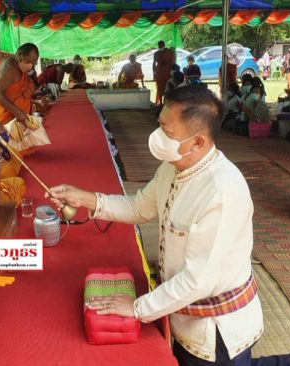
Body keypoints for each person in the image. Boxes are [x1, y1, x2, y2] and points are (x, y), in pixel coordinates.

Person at [47, 85, 263, 366]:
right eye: (159, 125)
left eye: (167, 132)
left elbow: (198, 281)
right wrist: (84, 197)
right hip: (183, 312)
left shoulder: (221, 192)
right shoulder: (175, 165)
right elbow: (139, 207)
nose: (158, 137)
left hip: (215, 330)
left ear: (197, 142)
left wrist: (137, 308)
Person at [0, 43, 39, 124]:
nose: (30, 66)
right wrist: (17, 112)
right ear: (20, 54)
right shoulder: (9, 67)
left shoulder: (19, 65)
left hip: (18, 118)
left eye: (33, 63)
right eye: (28, 61)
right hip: (5, 120)